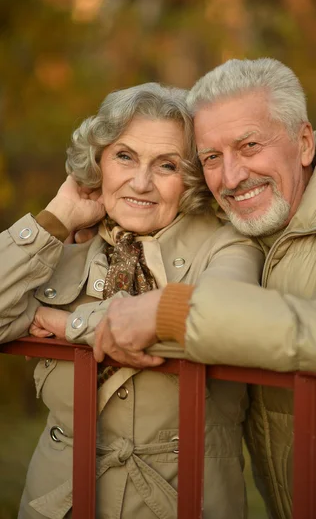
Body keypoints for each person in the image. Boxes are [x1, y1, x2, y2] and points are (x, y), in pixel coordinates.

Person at [93, 59, 316, 519]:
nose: (231, 177)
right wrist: (80, 216)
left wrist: (169, 312)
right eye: (212, 157)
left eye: (249, 146)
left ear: (302, 142)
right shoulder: (253, 224)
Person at [0, 82, 264, 519]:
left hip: (184, 504)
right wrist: (55, 218)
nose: (140, 183)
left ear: (193, 177)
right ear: (97, 162)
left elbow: (220, 321)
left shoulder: (227, 247)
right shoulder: (59, 252)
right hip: (59, 503)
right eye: (124, 156)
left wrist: (73, 325)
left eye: (167, 165)